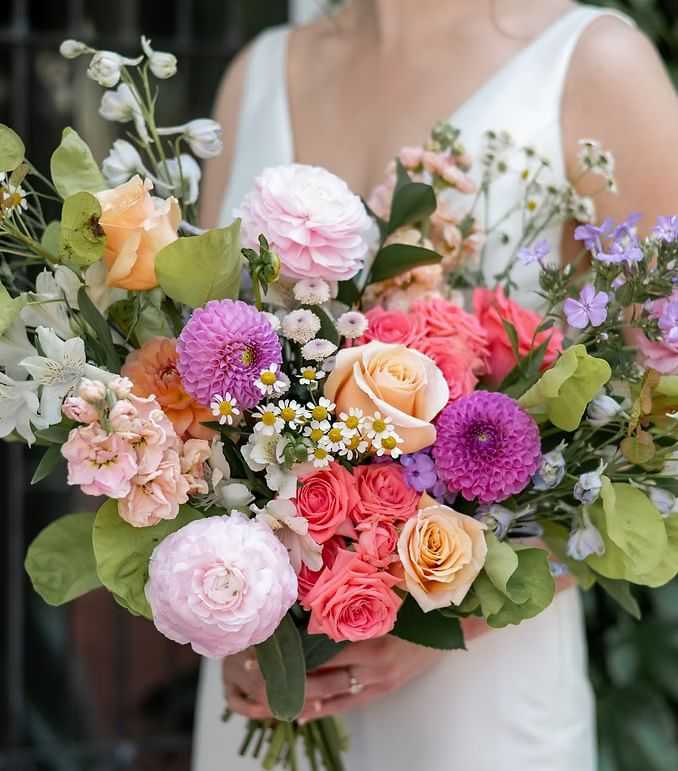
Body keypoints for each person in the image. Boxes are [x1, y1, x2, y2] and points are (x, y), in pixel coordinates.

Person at [194, 2, 678, 769]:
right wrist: (214, 603)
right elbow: (194, 382)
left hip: (480, 702)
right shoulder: (257, 74)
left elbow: (665, 436)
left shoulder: (593, 63)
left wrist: (459, 615)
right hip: (266, 676)